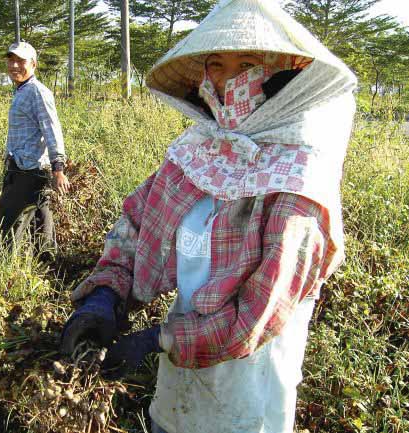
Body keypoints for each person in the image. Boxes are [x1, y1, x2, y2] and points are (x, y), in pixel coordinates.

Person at [60, 0, 358, 432]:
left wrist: (158, 340)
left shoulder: (299, 181)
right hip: (178, 393)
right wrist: (105, 295)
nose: (229, 78)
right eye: (217, 64)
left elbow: (256, 316)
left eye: (249, 62)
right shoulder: (198, 153)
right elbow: (136, 226)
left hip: (248, 401)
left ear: (285, 71)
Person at [0, 41, 70, 257]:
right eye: (11, 60)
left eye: (21, 61)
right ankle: (47, 266)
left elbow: (52, 129)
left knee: (8, 225)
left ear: (34, 64)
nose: (15, 66)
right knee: (40, 220)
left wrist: (58, 168)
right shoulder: (22, 90)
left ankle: (4, 269)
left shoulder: (37, 92)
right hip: (23, 166)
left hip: (28, 171)